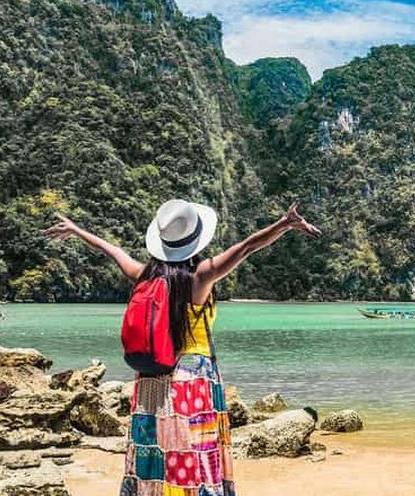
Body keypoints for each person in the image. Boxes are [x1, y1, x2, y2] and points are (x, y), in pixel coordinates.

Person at [45, 199, 320, 496]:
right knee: (194, 452)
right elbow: (246, 247)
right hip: (192, 380)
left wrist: (76, 230)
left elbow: (112, 251)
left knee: (155, 450)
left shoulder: (144, 275)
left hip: (150, 377)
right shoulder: (199, 277)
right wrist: (284, 224)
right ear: (194, 240)